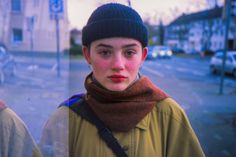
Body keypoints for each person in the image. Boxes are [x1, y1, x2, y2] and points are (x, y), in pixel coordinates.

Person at [39, 3, 205, 157]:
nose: (118, 65)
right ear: (87, 55)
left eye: (129, 52)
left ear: (143, 56)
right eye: (105, 52)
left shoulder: (169, 115)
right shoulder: (64, 120)